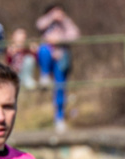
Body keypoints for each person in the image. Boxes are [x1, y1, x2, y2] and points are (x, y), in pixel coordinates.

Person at [36, 4, 80, 133]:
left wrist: (60, 36)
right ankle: (44, 76)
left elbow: (75, 35)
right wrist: (51, 17)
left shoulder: (66, 23)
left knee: (60, 87)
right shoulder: (46, 21)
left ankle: (59, 118)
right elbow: (39, 25)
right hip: (47, 57)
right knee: (43, 49)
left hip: (61, 59)